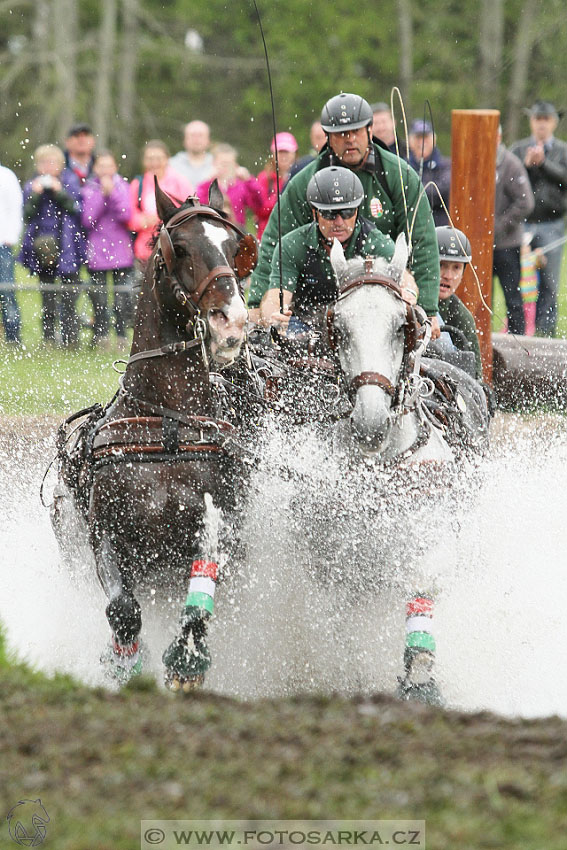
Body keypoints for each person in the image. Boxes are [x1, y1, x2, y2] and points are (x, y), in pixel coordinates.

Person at [249, 92, 440, 334]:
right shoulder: (304, 182)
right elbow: (274, 241)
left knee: (444, 344)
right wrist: (257, 306)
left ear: (370, 130)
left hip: (386, 296)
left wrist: (429, 310)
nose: (350, 140)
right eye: (341, 134)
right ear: (327, 137)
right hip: (314, 302)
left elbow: (423, 242)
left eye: (356, 131)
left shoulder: (399, 176)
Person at [259, 166, 414, 331]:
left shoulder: (375, 243)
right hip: (305, 324)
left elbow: (406, 279)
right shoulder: (292, 245)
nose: (339, 222)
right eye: (330, 214)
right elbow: (275, 297)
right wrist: (274, 315)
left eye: (347, 212)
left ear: (357, 211)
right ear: (314, 212)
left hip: (360, 324)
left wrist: (409, 292)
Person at [510, 100, 567, 336]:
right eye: (537, 119)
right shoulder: (518, 149)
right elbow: (511, 182)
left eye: (546, 120)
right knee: (516, 282)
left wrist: (543, 164)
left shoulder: (563, 151)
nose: (541, 125)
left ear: (554, 122)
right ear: (531, 121)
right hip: (522, 225)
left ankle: (545, 336)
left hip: (552, 225)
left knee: (549, 284)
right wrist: (528, 167)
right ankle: (518, 333)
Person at [19, 144, 84, 347]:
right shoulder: (32, 186)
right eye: (43, 163)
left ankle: (70, 338)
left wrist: (60, 192)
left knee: (70, 295)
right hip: (42, 247)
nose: (48, 167)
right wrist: (36, 195)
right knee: (47, 295)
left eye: (52, 162)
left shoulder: (70, 182)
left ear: (60, 165)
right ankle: (48, 338)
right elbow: (27, 215)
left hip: (67, 248)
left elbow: (76, 209)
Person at [82, 150, 134, 349]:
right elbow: (88, 219)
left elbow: (125, 214)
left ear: (115, 167)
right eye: (100, 166)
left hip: (120, 250)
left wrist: (111, 193)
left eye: (108, 166)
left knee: (121, 298)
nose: (104, 170)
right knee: (99, 298)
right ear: (95, 168)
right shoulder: (89, 189)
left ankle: (121, 336)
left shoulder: (123, 187)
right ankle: (101, 336)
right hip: (98, 251)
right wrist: (101, 196)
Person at [493, 126, 535, 336]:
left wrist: (499, 227)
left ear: (499, 136)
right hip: (480, 245)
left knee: (513, 299)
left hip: (507, 245)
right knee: (478, 298)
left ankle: (520, 343)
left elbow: (525, 202)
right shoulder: (474, 159)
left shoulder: (511, 164)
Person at [128, 140, 193, 266]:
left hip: (176, 248)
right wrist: (141, 221)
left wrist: (166, 219)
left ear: (167, 159)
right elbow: (129, 214)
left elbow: (191, 209)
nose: (154, 163)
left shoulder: (180, 182)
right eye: (150, 159)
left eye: (158, 158)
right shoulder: (138, 184)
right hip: (146, 251)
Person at [436, 225, 482, 380]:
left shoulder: (462, 317)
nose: (448, 275)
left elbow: (475, 379)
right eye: (441, 265)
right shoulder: (409, 302)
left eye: (456, 268)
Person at [196, 144, 262, 229]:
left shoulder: (240, 186)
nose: (225, 168)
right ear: (214, 163)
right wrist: (208, 180)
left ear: (235, 165)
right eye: (222, 164)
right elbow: (198, 204)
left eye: (229, 164)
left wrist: (249, 180)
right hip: (211, 232)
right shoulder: (208, 185)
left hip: (236, 233)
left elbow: (258, 204)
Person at [408, 119, 451, 227]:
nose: (422, 142)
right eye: (418, 138)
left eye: (425, 137)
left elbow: (440, 192)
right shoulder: (404, 166)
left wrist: (414, 192)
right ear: (410, 141)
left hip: (441, 230)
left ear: (434, 139)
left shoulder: (447, 166)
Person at [256, 132, 298, 240]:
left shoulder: (299, 176)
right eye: (280, 152)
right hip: (269, 236)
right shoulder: (264, 178)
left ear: (294, 153)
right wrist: (281, 196)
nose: (283, 156)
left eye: (287, 152)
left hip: (293, 235)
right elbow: (260, 209)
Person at [0, 161, 23, 344]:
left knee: (6, 291)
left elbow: (16, 207)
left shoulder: (6, 176)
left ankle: (12, 336)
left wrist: (11, 236)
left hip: (2, 244)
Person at [169, 120, 214, 187]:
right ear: (184, 139)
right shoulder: (170, 165)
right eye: (192, 135)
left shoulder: (218, 164)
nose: (196, 139)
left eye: (200, 135)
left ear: (208, 140)